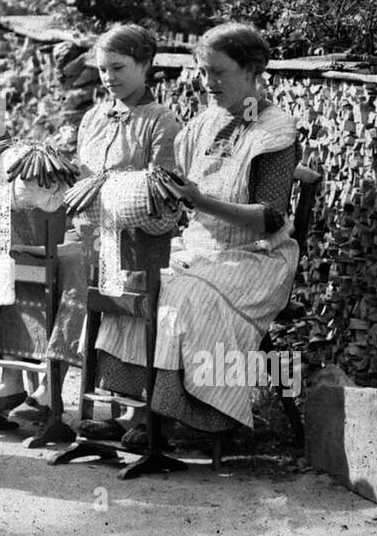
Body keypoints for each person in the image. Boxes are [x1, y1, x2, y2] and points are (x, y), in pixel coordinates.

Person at [93, 22, 301, 447]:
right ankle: (137, 408)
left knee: (184, 296)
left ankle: (177, 419)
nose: (208, 83)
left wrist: (199, 200)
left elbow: (270, 219)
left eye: (218, 73)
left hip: (256, 258)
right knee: (137, 279)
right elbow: (178, 190)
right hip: (201, 249)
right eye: (203, 72)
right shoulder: (203, 125)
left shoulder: (274, 130)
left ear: (252, 70)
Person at [0, 24, 183, 425]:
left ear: (146, 65)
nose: (108, 78)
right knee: (13, 258)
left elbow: (163, 195)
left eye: (118, 68)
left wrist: (105, 192)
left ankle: (49, 390)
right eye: (102, 70)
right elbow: (76, 186)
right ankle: (11, 378)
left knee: (70, 264)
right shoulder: (94, 119)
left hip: (131, 245)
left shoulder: (162, 123)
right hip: (81, 235)